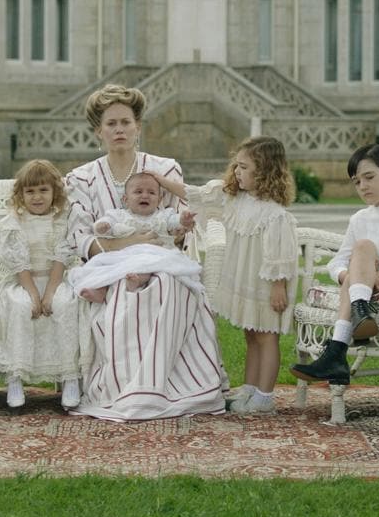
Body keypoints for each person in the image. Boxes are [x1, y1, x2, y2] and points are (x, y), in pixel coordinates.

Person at [64, 83, 227, 421]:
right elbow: (80, 236)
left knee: (169, 286)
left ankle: (170, 386)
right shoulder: (81, 178)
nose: (119, 129)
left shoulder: (164, 169)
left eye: (126, 122)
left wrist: (179, 228)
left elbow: (183, 223)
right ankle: (126, 388)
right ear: (99, 130)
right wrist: (127, 245)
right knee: (125, 292)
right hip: (108, 265)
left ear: (138, 125)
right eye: (111, 124)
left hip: (162, 261)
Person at [150, 136, 299, 416]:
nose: (237, 172)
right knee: (251, 335)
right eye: (237, 166)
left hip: (267, 284)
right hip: (245, 281)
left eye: (244, 167)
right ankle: (250, 387)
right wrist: (160, 179)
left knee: (267, 337)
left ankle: (265, 396)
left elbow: (281, 254)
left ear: (264, 170)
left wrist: (279, 286)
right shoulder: (233, 198)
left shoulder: (275, 214)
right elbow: (191, 192)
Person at [290, 144, 379, 385]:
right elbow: (336, 262)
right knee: (362, 249)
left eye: (369, 177)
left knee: (361, 253)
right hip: (364, 284)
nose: (363, 186)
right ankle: (360, 313)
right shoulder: (360, 218)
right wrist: (362, 274)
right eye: (357, 182)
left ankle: (336, 351)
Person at [0, 159, 84, 411]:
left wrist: (50, 292)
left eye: (43, 190)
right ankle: (15, 377)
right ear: (21, 195)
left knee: (64, 305)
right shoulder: (15, 222)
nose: (37, 197)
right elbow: (19, 264)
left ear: (55, 192)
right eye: (30, 191)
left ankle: (69, 376)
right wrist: (33, 294)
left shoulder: (61, 220)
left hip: (55, 278)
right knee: (20, 307)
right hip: (24, 281)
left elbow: (62, 258)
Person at [69, 172, 202, 303]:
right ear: (125, 199)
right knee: (103, 267)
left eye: (151, 193)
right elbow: (104, 225)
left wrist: (183, 220)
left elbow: (175, 221)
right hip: (124, 255)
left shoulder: (163, 216)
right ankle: (100, 290)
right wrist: (102, 227)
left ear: (159, 200)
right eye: (138, 192)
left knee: (146, 266)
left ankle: (137, 281)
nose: (145, 195)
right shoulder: (119, 215)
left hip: (155, 255)